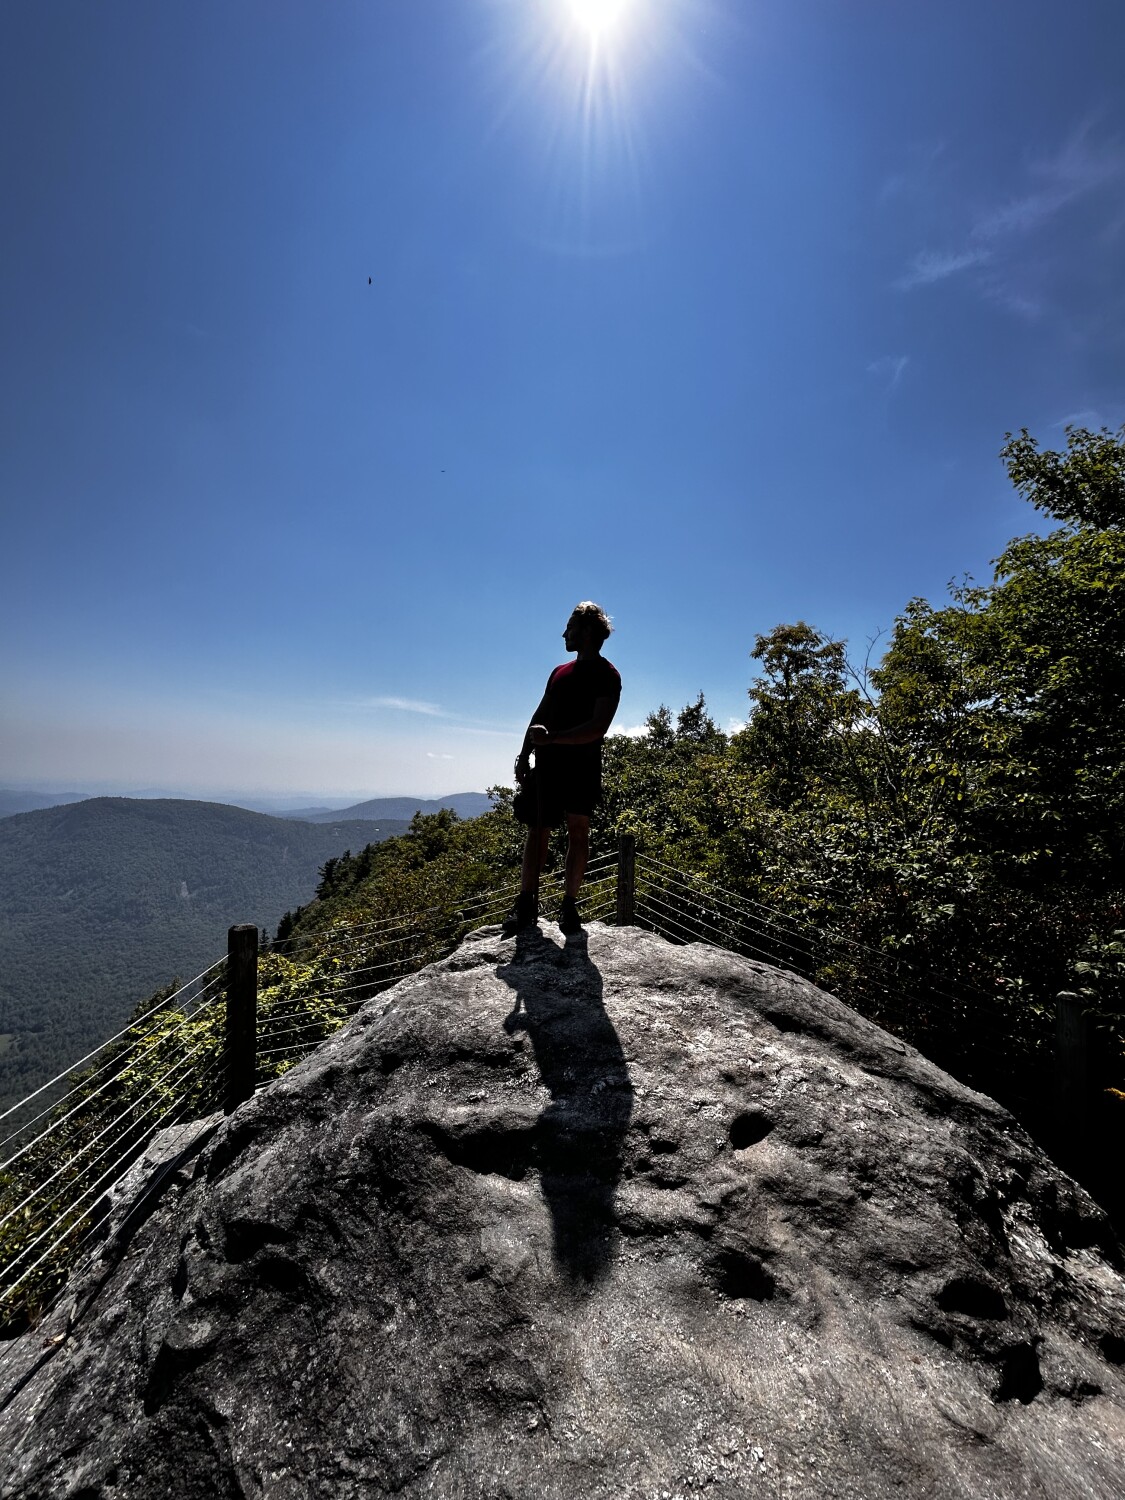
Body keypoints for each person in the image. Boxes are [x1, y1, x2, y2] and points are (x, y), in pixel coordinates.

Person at [505, 602, 621, 935]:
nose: (564, 634)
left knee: (576, 832)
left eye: (569, 627)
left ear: (585, 631)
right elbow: (540, 713)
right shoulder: (559, 672)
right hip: (549, 766)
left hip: (580, 766)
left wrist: (551, 739)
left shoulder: (607, 675)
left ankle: (568, 907)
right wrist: (524, 753)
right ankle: (526, 903)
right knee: (537, 830)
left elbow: (598, 727)